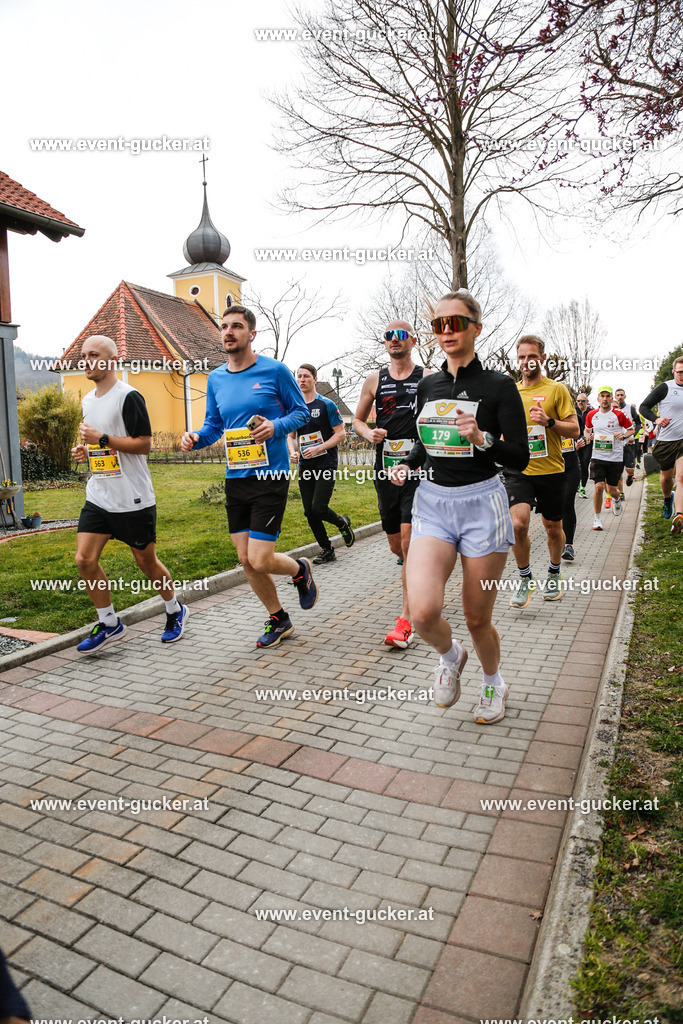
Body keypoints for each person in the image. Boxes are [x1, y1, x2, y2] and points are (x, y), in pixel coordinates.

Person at [390, 290, 529, 724]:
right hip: (433, 503)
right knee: (424, 611)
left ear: (476, 328)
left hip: (482, 505)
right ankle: (450, 657)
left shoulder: (500, 387)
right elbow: (425, 443)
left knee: (475, 617)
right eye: (439, 324)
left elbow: (520, 457)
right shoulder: (429, 385)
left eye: (456, 322)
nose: (446, 331)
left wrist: (482, 439)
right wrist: (407, 463)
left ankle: (494, 683)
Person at [181, 305, 316, 647]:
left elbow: (301, 413)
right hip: (236, 475)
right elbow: (214, 426)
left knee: (259, 558)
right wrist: (197, 438)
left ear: (251, 334)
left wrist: (275, 427)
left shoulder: (275, 371)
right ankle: (279, 619)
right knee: (246, 560)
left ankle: (300, 570)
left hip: (270, 475)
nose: (228, 332)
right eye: (224, 327)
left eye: (236, 327)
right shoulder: (216, 378)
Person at [71, 335, 188, 654]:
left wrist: (103, 438)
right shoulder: (88, 400)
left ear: (111, 359)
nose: (87, 361)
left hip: (133, 498)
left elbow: (144, 444)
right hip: (99, 495)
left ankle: (175, 610)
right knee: (84, 559)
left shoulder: (129, 397)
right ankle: (109, 622)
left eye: (94, 355)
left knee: (146, 563)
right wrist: (86, 449)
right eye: (83, 356)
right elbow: (99, 442)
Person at [353, 321, 427, 648]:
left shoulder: (426, 378)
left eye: (401, 335)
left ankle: (407, 619)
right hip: (385, 466)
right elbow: (357, 420)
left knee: (409, 542)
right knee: (397, 545)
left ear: (413, 340)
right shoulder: (375, 380)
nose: (394, 340)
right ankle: (417, 570)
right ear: (384, 344)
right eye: (389, 336)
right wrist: (369, 433)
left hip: (417, 465)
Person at [504, 336, 579, 606]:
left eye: (531, 356)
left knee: (552, 527)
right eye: (522, 357)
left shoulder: (556, 390)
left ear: (542, 358)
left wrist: (548, 421)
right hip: (519, 470)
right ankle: (525, 579)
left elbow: (574, 429)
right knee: (517, 524)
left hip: (551, 471)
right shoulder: (510, 392)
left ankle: (554, 573)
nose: (526, 362)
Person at [288, 363, 355, 563]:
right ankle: (327, 549)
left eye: (306, 376)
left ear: (315, 379)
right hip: (306, 465)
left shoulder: (326, 404)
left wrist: (319, 448)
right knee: (309, 511)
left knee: (319, 507)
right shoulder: (295, 407)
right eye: (299, 376)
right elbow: (291, 436)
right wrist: (293, 452)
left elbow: (341, 434)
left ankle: (342, 524)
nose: (302, 379)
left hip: (326, 463)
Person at [640, 357, 683, 533]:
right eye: (680, 372)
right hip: (665, 442)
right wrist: (657, 419)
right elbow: (644, 407)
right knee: (667, 478)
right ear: (674, 371)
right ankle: (667, 498)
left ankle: (679, 515)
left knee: (681, 477)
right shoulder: (665, 387)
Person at [585, 386, 634, 530]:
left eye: (608, 396)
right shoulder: (592, 415)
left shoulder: (619, 414)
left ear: (611, 398)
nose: (605, 399)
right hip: (598, 456)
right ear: (598, 398)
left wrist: (623, 435)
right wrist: (589, 437)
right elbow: (587, 431)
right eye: (602, 396)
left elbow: (631, 429)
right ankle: (597, 519)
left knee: (612, 489)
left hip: (615, 457)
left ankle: (617, 499)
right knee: (599, 486)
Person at [614, 388, 642, 489]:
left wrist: (633, 436)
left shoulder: (630, 409)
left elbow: (639, 423)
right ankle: (620, 493)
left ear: (625, 396)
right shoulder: (611, 410)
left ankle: (630, 476)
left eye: (622, 395)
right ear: (615, 397)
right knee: (618, 471)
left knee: (630, 469)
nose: (620, 397)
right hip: (617, 444)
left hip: (629, 443)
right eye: (618, 395)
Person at [575, 393, 593, 497]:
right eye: (579, 401)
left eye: (583, 401)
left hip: (587, 442)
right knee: (577, 464)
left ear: (587, 402)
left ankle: (583, 488)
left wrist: (594, 434)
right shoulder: (573, 412)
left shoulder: (591, 412)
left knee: (585, 463)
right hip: (576, 442)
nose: (580, 403)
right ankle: (577, 484)